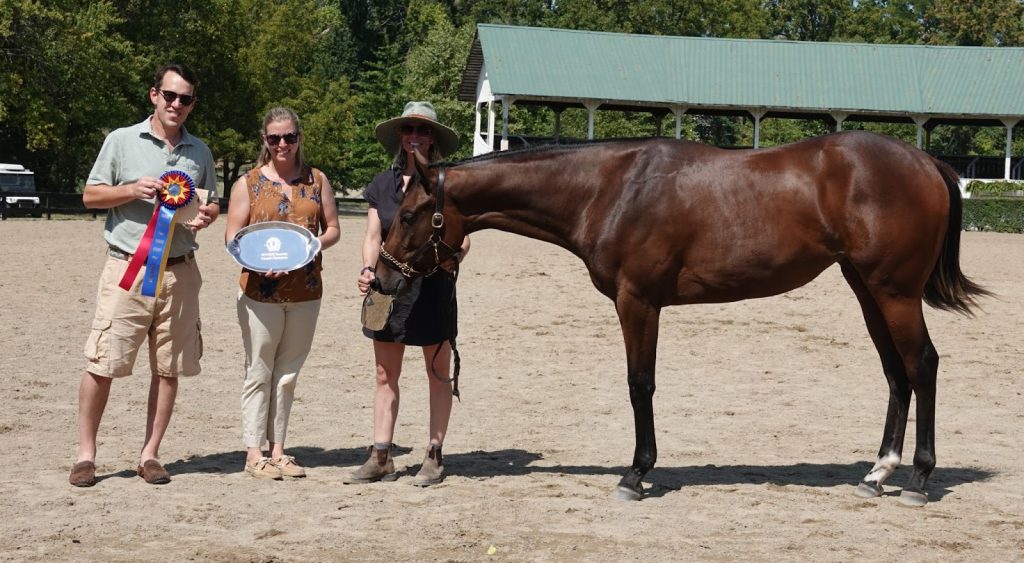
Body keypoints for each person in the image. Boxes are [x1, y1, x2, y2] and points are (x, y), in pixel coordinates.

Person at [70, 63, 220, 487]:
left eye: (185, 98)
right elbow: (90, 195)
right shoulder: (120, 140)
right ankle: (86, 455)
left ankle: (150, 454)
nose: (176, 104)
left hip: (181, 273)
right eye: (169, 95)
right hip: (128, 269)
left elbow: (209, 203)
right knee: (103, 362)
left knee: (168, 368)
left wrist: (207, 214)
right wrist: (131, 189)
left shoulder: (200, 152)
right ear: (154, 95)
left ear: (192, 104)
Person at [345, 101, 470, 487]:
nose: (415, 136)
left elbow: (462, 241)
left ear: (434, 138)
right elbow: (372, 236)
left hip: (433, 289)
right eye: (409, 129)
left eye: (424, 130)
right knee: (385, 374)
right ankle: (381, 455)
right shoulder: (382, 184)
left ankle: (434, 455)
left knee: (437, 374)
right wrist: (368, 270)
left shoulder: (448, 183)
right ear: (400, 136)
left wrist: (449, 258)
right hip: (385, 289)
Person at [224, 107, 340, 479]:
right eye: (274, 138)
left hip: (306, 290)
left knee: (288, 373)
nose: (282, 144)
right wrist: (257, 262)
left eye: (289, 136)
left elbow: (333, 229)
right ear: (265, 141)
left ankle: (279, 451)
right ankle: (254, 452)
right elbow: (232, 237)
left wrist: (313, 247)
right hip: (260, 291)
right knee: (259, 369)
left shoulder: (318, 180)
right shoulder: (248, 184)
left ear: (299, 137)